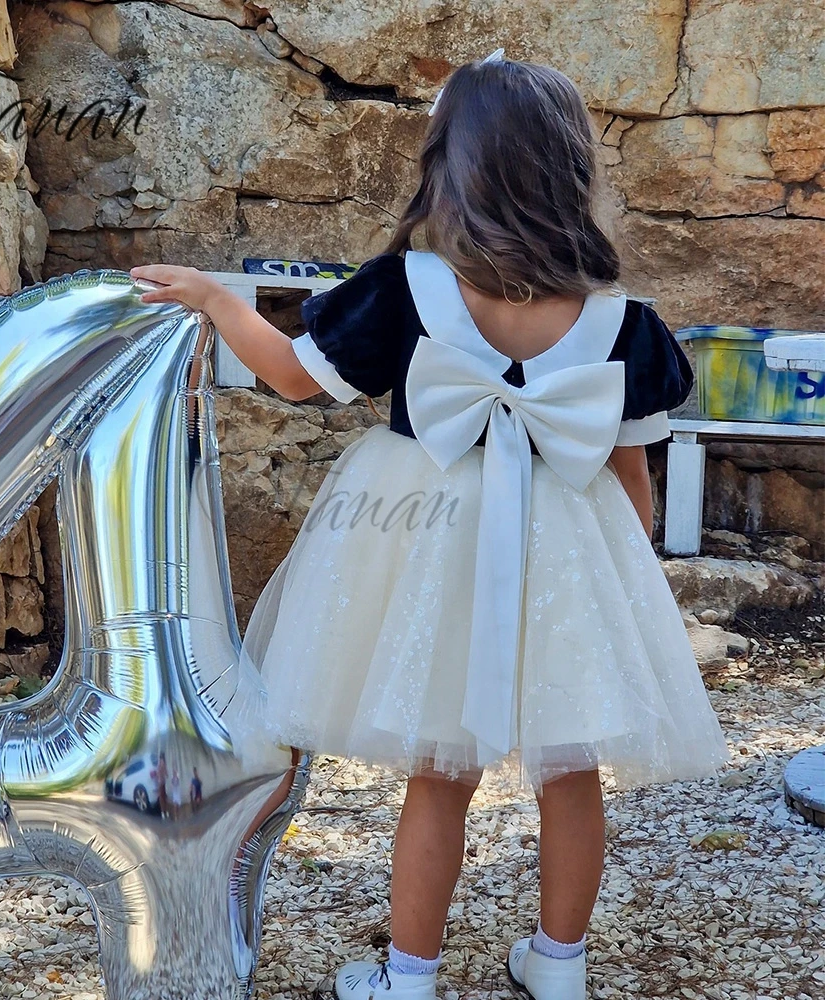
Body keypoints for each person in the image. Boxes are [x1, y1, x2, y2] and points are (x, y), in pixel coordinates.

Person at [130, 50, 729, 1000]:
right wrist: (631, 565)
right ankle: (560, 966)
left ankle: (408, 978)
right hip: (568, 542)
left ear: (453, 163)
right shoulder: (627, 323)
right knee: (570, 769)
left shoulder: (407, 288)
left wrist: (212, 299)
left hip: (422, 538)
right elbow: (627, 468)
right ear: (571, 167)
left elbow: (295, 376)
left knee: (438, 769)